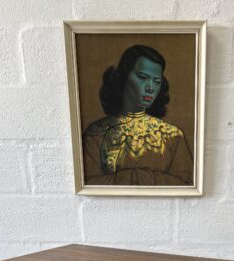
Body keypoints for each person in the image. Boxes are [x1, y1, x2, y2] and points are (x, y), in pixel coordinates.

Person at [82, 45, 194, 186]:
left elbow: (186, 185)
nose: (150, 88)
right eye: (142, 77)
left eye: (156, 81)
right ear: (124, 77)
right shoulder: (96, 133)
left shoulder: (173, 136)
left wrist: (133, 177)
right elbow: (89, 185)